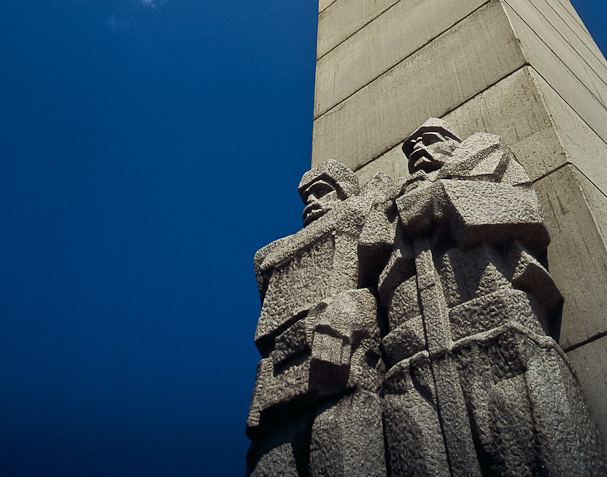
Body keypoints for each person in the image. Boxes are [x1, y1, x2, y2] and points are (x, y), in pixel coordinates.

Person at [360, 118, 607, 477]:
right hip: (413, 347)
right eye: (410, 149)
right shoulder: (396, 205)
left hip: (497, 324)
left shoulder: (489, 157)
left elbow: (524, 210)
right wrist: (387, 207)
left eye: (428, 140)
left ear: (453, 142)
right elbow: (372, 256)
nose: (417, 151)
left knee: (531, 437)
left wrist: (439, 200)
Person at [246, 159, 394, 477]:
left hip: (341, 371)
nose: (311, 202)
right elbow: (262, 261)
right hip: (278, 388)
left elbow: (379, 274)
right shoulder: (276, 252)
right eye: (307, 197)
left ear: (344, 192)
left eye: (322, 192)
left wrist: (350, 310)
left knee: (343, 449)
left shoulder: (356, 213)